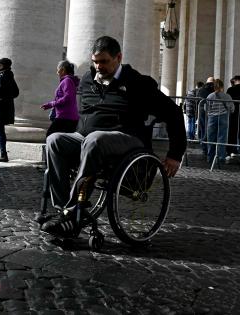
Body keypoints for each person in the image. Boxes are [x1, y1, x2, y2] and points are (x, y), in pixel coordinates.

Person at [39, 36, 187, 237]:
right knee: (54, 140)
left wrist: (175, 154)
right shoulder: (87, 80)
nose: (98, 66)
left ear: (118, 57)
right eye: (95, 61)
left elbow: (173, 114)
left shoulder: (139, 83)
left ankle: (74, 212)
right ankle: (63, 209)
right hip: (88, 139)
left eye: (104, 62)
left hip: (127, 139)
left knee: (95, 139)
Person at [41, 60, 80, 136]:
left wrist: (51, 104)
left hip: (65, 117)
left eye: (57, 70)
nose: (57, 72)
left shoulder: (67, 81)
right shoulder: (68, 81)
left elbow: (68, 97)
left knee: (50, 135)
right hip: (68, 117)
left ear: (63, 70)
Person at [206, 79, 234, 164]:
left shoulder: (210, 96)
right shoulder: (227, 96)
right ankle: (221, 157)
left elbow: (206, 108)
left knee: (211, 138)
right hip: (223, 117)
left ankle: (210, 158)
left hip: (212, 118)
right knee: (222, 138)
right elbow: (232, 108)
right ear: (222, 86)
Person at [225, 75, 240, 160]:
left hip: (233, 113)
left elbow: (228, 101)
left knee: (232, 132)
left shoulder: (230, 89)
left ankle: (231, 150)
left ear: (235, 80)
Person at [197, 77, 215, 155]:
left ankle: (204, 147)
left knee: (203, 128)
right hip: (212, 111)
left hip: (202, 111)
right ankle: (210, 148)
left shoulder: (201, 90)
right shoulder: (214, 89)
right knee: (211, 130)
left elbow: (198, 100)